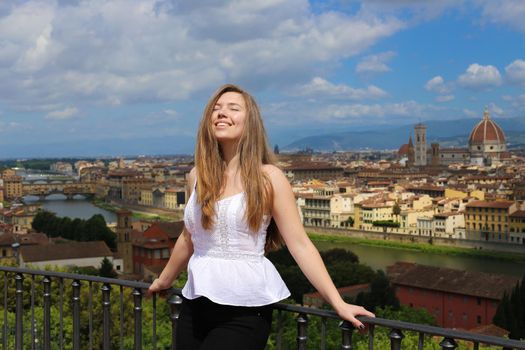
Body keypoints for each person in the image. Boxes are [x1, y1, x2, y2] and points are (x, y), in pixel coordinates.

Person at [147, 84, 374, 349]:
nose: (221, 113)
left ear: (250, 122)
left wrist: (337, 302)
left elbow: (300, 245)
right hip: (193, 305)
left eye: (233, 108)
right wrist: (163, 281)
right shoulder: (197, 176)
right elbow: (189, 237)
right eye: (216, 109)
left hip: (244, 310)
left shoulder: (269, 178)